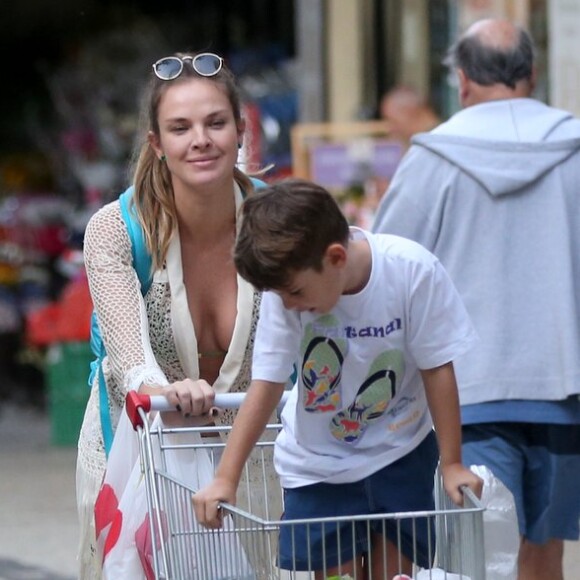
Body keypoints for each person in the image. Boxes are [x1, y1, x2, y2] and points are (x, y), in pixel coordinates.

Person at [372, 18, 580, 580]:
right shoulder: (575, 150)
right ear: (532, 76)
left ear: (462, 81)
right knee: (546, 552)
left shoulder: (434, 158)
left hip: (466, 394)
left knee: (475, 559)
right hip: (565, 387)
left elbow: (388, 266)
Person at [193, 178, 482, 578]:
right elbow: (268, 382)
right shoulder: (286, 297)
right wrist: (225, 477)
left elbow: (437, 369)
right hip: (317, 466)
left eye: (295, 291)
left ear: (335, 257)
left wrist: (452, 463)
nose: (290, 305)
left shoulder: (412, 272)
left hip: (401, 453)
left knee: (395, 574)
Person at [75, 51, 268, 579]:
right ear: (157, 145)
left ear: (240, 130)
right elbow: (131, 359)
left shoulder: (279, 222)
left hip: (252, 456)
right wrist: (165, 390)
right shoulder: (115, 230)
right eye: (180, 128)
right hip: (136, 449)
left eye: (215, 122)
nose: (200, 139)